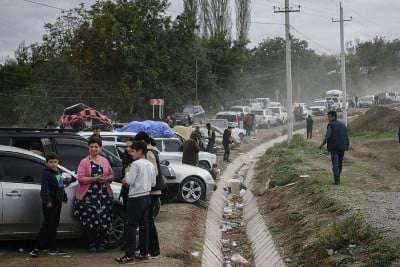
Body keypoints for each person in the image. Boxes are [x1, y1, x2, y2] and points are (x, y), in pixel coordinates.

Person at [115, 141, 156, 264]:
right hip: (147, 196)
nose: (131, 153)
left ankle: (129, 255)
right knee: (144, 226)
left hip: (136, 198)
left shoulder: (135, 164)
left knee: (131, 226)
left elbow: (129, 181)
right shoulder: (150, 164)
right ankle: (144, 253)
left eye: (133, 151)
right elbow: (153, 183)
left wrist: (126, 175)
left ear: (140, 151)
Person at [74, 137, 114, 252]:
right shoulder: (84, 161)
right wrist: (95, 178)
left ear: (100, 148)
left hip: (104, 196)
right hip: (89, 196)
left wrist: (106, 179)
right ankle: (91, 243)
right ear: (88, 148)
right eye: (91, 146)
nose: (93, 149)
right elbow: (80, 178)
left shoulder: (105, 160)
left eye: (96, 146)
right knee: (90, 220)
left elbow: (111, 175)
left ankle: (101, 243)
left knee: (104, 219)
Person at [30, 153, 68, 257]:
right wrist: (47, 201)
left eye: (55, 162)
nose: (53, 164)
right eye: (50, 162)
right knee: (47, 225)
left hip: (57, 203)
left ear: (58, 162)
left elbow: (61, 186)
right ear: (46, 163)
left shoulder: (58, 172)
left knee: (54, 225)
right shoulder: (46, 174)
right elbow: (44, 190)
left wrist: (64, 196)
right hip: (49, 204)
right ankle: (36, 248)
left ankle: (52, 247)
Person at [134, 132, 162, 258]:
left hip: (152, 191)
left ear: (143, 142)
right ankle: (149, 249)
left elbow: (154, 172)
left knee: (148, 222)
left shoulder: (149, 153)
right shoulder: (151, 151)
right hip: (151, 191)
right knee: (147, 221)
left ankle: (153, 249)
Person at [320, 111, 350, 185]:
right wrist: (347, 146)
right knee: (340, 163)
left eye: (329, 117)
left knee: (335, 164)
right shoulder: (343, 125)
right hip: (342, 147)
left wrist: (322, 144)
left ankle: (337, 180)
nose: (328, 118)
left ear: (333, 117)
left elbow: (327, 136)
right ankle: (338, 178)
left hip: (334, 147)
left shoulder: (331, 125)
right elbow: (346, 137)